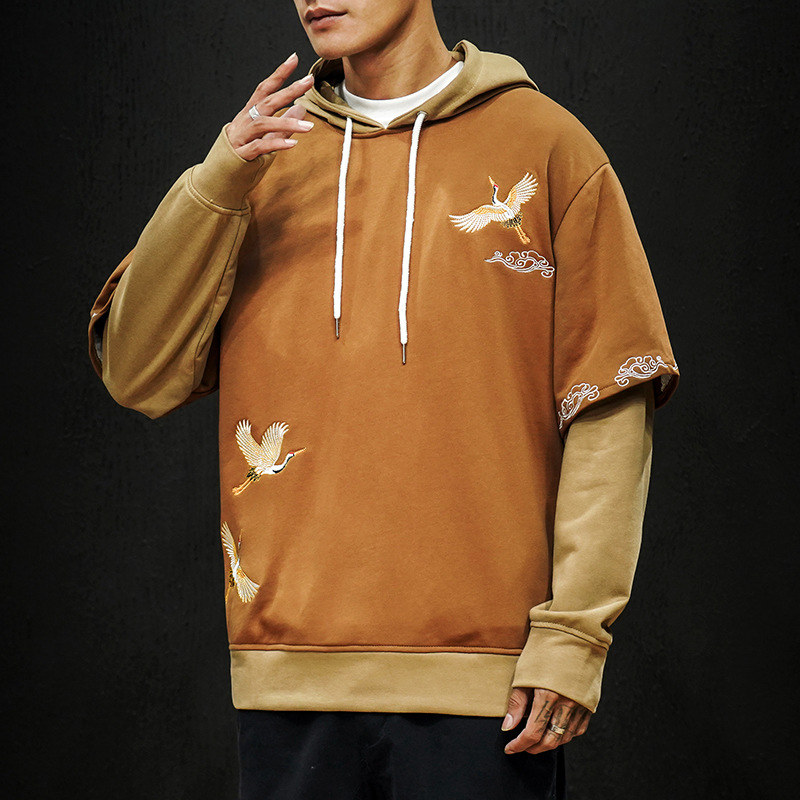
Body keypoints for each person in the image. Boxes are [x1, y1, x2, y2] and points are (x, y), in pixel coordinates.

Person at [88, 1, 678, 797]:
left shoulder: (547, 146)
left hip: (487, 684)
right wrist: (219, 178)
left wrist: (574, 635)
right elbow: (135, 372)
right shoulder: (262, 160)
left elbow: (608, 403)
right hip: (286, 677)